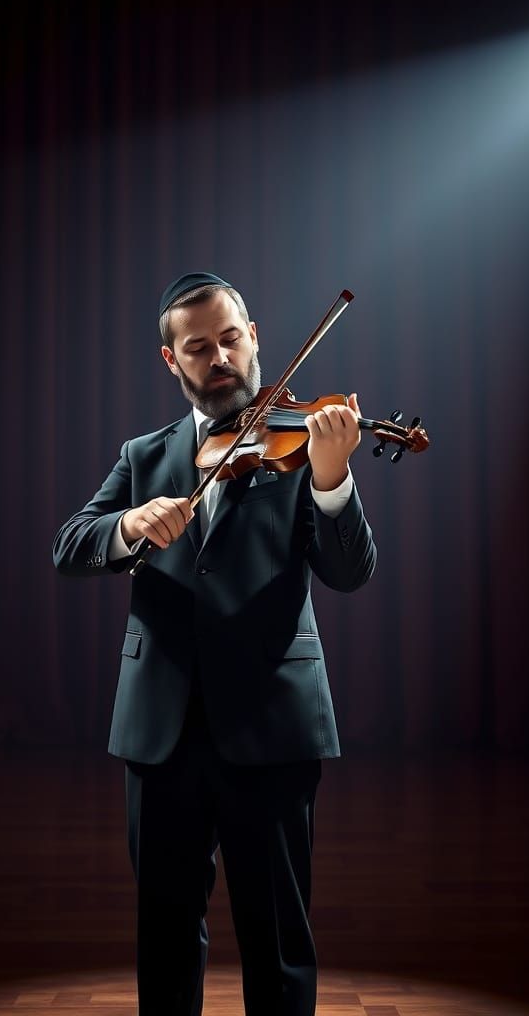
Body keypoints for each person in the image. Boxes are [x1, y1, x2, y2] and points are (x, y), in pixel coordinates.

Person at [52, 272, 377, 1016]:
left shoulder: (302, 441)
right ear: (174, 362)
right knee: (164, 935)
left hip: (272, 726)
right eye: (198, 347)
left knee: (279, 942)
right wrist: (128, 525)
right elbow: (69, 544)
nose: (220, 356)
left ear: (255, 337)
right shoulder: (145, 456)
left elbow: (351, 572)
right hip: (160, 730)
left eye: (231, 338)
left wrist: (332, 481)